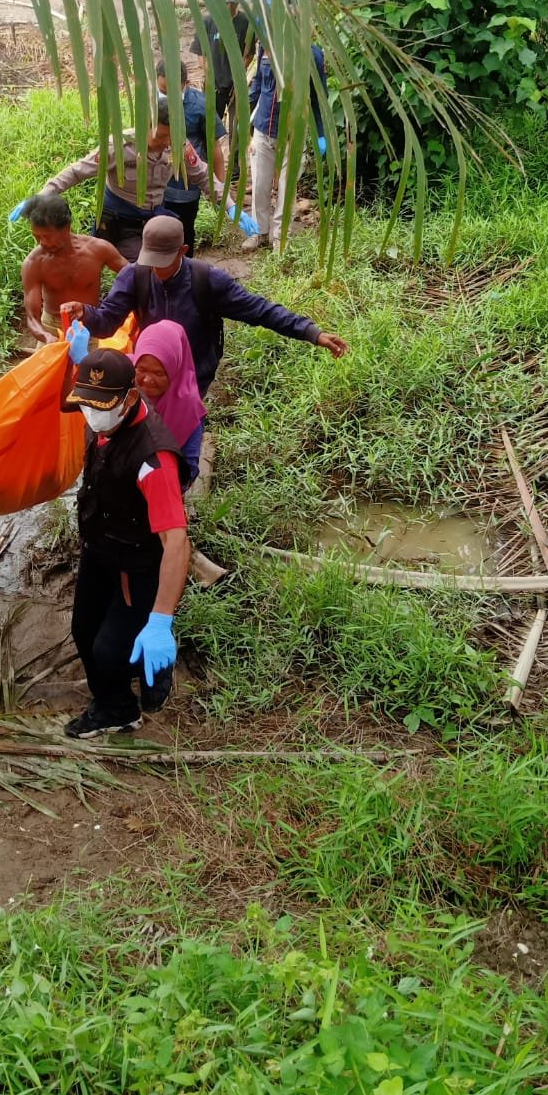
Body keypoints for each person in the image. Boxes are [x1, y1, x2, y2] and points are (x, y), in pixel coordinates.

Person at [62, 213, 349, 397]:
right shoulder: (134, 275)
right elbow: (108, 322)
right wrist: (86, 313)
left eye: (164, 262)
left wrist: (312, 333)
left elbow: (260, 310)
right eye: (152, 262)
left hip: (195, 373)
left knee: (184, 429)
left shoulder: (207, 280)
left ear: (183, 251)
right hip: (150, 370)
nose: (157, 270)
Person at [63, 347, 190, 737]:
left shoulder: (154, 459)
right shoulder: (99, 420)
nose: (91, 413)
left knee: (109, 648)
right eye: (86, 403)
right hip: (100, 549)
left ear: (131, 398)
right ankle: (116, 700)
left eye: (102, 405)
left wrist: (161, 619)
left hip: (138, 565)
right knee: (83, 630)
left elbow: (176, 541)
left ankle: (121, 703)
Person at [8, 101, 257, 259]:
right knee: (122, 265)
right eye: (160, 136)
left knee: (155, 263)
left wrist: (231, 206)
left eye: (171, 137)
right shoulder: (118, 146)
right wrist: (41, 195)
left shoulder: (179, 146)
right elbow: (76, 171)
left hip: (149, 219)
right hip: (116, 219)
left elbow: (203, 176)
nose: (165, 143)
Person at [245, 41, 329, 253]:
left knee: (287, 189)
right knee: (259, 185)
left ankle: (280, 239)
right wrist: (245, 124)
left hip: (294, 134)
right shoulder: (266, 44)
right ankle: (259, 232)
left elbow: (319, 98)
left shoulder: (313, 54)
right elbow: (257, 86)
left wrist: (321, 133)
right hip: (263, 128)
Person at [19, 193, 127, 345]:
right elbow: (32, 317)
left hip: (88, 326)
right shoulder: (34, 263)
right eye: (37, 236)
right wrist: (45, 336)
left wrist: (115, 308)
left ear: (67, 228)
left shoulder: (98, 250)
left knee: (90, 369)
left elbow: (133, 276)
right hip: (52, 328)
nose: (42, 242)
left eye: (48, 237)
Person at [157, 58, 227, 254]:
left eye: (171, 92)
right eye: (162, 91)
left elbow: (214, 147)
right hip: (155, 186)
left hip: (185, 188)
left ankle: (184, 274)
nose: (166, 97)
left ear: (185, 84)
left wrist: (220, 192)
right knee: (158, 236)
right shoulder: (149, 102)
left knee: (183, 233)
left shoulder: (201, 106)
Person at [131, 320, 207, 490]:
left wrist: (159, 490)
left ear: (174, 370)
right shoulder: (124, 380)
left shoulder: (188, 408)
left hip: (161, 489)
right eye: (141, 369)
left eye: (159, 372)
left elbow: (189, 468)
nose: (147, 380)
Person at [192, 0, 256, 124]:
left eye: (233, 3)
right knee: (210, 128)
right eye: (227, 2)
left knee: (237, 130)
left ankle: (235, 148)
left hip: (236, 86)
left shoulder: (246, 23)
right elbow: (201, 54)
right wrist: (210, 77)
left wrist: (238, 77)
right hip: (214, 87)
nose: (229, 6)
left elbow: (249, 54)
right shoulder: (208, 21)